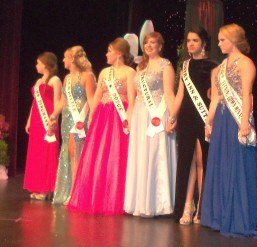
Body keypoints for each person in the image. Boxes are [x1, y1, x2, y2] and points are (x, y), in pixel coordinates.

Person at [200, 23, 257, 237]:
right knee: (220, 164)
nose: (218, 43)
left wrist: (244, 122)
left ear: (233, 40)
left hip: (236, 120)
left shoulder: (246, 64)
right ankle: (218, 215)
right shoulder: (219, 68)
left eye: (222, 39)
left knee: (236, 165)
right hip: (222, 120)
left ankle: (238, 216)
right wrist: (209, 120)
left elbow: (246, 96)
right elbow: (215, 98)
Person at [67, 38, 136, 214]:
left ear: (118, 53)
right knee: (98, 156)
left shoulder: (130, 72)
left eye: (109, 50)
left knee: (115, 156)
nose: (106, 54)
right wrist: (91, 117)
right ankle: (95, 196)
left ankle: (113, 199)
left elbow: (131, 97)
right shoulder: (105, 72)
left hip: (119, 117)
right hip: (103, 117)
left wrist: (129, 118)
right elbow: (97, 96)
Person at [124, 32, 177, 217]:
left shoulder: (166, 65)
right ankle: (140, 202)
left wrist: (172, 117)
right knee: (141, 155)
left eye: (152, 43)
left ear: (160, 46)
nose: (148, 46)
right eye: (146, 43)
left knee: (155, 154)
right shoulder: (140, 67)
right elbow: (135, 96)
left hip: (158, 114)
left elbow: (169, 93)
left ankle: (157, 203)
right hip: (140, 115)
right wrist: (129, 118)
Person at [171, 27, 218, 224]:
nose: (191, 44)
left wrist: (210, 120)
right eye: (189, 41)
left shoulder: (214, 65)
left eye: (195, 40)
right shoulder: (185, 65)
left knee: (204, 162)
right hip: (187, 118)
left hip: (205, 116)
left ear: (204, 43)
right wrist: (172, 116)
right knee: (184, 162)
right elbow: (181, 94)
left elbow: (215, 95)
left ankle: (202, 208)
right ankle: (183, 208)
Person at [52, 46, 96, 204]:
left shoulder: (87, 76)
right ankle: (69, 190)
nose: (63, 60)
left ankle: (75, 193)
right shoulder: (67, 78)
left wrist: (93, 119)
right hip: (67, 119)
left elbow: (91, 99)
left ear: (72, 59)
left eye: (65, 57)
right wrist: (53, 116)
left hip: (79, 120)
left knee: (75, 153)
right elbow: (63, 100)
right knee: (69, 153)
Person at [24, 52, 62, 200]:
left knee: (48, 151)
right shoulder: (39, 81)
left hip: (48, 120)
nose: (36, 65)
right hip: (36, 120)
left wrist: (54, 120)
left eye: (38, 62)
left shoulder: (55, 80)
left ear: (45, 64)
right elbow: (35, 103)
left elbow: (58, 101)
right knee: (37, 152)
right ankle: (37, 186)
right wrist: (28, 121)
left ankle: (46, 189)